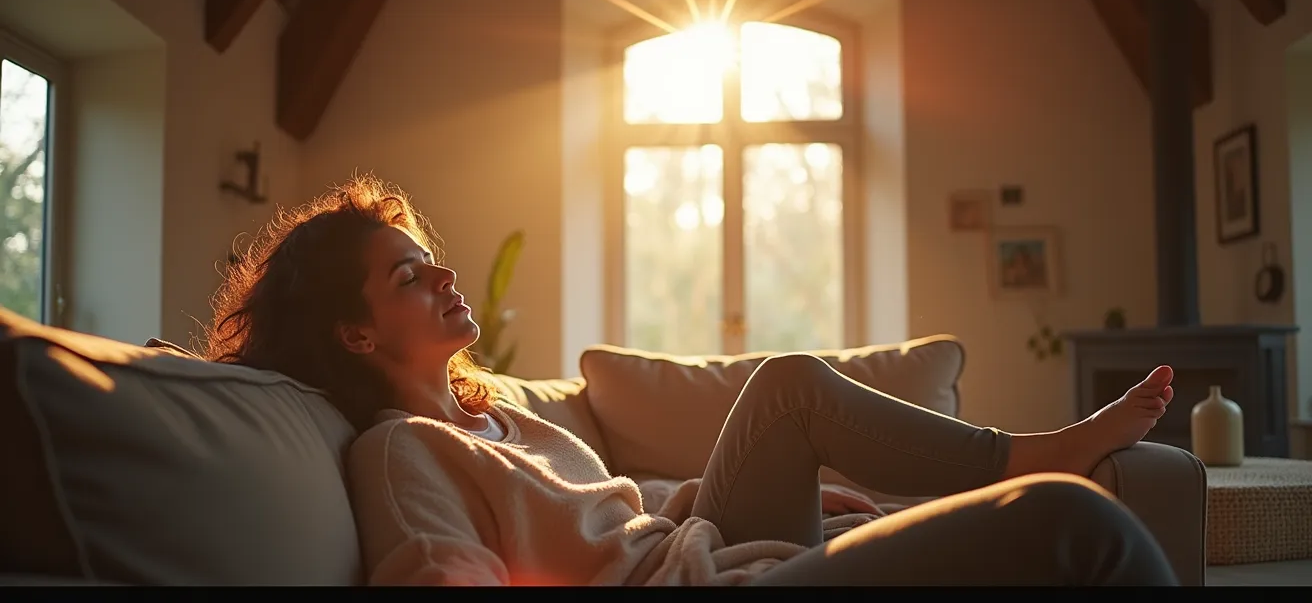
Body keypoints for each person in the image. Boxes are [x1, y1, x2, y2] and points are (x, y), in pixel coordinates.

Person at [203, 174, 1180, 586]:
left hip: (708, 548)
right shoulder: (397, 453)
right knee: (1069, 521)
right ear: (355, 333)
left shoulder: (497, 417)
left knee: (792, 387)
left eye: (431, 258)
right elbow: (439, 573)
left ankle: (1034, 454)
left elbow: (617, 510)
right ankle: (1043, 454)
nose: (445, 276)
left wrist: (788, 492)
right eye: (408, 278)